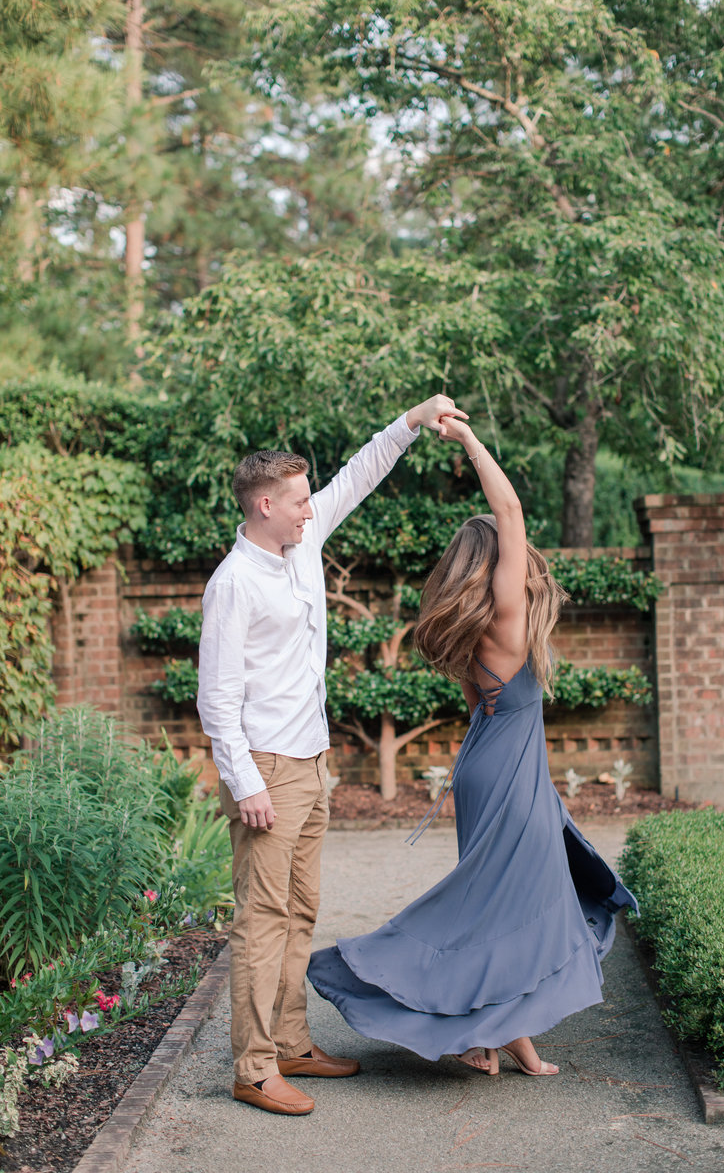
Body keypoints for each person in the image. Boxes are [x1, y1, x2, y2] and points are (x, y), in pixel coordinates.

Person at [308, 415, 638, 1077]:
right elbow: (509, 507)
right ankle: (468, 1023)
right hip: (511, 775)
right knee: (520, 908)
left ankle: (500, 1041)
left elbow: (483, 710)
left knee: (500, 906)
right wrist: (467, 439)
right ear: (496, 567)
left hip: (485, 768)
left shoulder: (471, 633)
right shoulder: (510, 618)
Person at [197, 395, 467, 1116]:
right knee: (262, 918)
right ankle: (254, 1070)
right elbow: (216, 698)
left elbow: (359, 472)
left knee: (301, 911)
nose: (310, 509)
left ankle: (288, 1043)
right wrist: (245, 781)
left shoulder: (302, 546)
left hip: (311, 762)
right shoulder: (233, 585)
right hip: (267, 771)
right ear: (261, 506)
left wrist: (413, 420)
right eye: (295, 501)